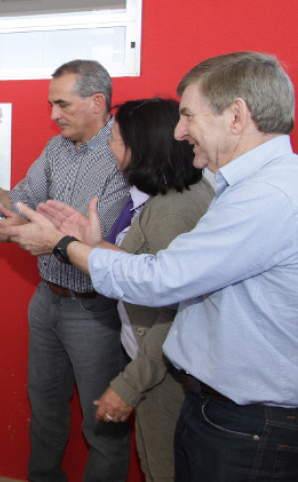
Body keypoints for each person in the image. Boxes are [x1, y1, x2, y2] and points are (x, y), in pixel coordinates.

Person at [1, 52, 298, 481]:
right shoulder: (245, 189)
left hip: (248, 422)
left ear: (236, 116)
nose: (180, 131)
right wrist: (97, 245)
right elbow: (171, 271)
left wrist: (63, 245)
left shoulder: (267, 198)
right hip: (220, 408)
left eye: (189, 115)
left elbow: (162, 282)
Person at [0, 60, 130, 481]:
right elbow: (22, 199)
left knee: (103, 423)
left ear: (97, 103)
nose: (53, 115)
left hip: (96, 310)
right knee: (44, 411)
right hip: (47, 301)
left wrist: (32, 229)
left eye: (62, 104)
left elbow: (100, 243)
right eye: (50, 104)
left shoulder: (122, 155)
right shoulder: (56, 148)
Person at [95, 98, 213, 481]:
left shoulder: (173, 211)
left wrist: (129, 386)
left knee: (163, 469)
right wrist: (91, 247)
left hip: (163, 377)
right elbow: (142, 268)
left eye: (114, 138)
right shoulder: (162, 198)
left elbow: (175, 310)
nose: (109, 147)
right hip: (150, 362)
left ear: (142, 146)